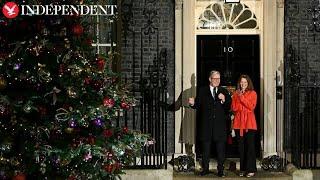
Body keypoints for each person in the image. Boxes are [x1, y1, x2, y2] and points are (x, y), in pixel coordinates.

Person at [188, 70, 231, 177]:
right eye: (215, 78)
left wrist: (224, 100)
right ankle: (205, 169)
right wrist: (192, 104)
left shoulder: (223, 91)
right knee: (205, 150)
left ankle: (221, 170)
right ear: (210, 79)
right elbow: (198, 105)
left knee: (220, 150)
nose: (217, 81)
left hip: (220, 126)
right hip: (206, 125)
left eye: (218, 79)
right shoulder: (202, 90)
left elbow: (229, 107)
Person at [231, 74, 257, 178]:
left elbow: (251, 107)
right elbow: (234, 107)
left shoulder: (253, 93)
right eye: (241, 82)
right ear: (239, 83)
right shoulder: (235, 93)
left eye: (245, 82)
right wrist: (237, 97)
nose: (243, 84)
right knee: (241, 148)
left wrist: (241, 97)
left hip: (249, 124)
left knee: (250, 147)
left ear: (248, 83)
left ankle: (251, 169)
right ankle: (243, 168)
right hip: (238, 124)